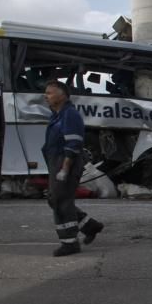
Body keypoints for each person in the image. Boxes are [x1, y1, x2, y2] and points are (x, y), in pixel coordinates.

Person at [42, 80, 104, 257]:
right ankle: (90, 226)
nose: (46, 96)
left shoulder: (70, 115)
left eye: (50, 93)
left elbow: (73, 144)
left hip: (65, 163)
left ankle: (69, 243)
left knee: (61, 202)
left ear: (62, 95)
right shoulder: (57, 115)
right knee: (55, 200)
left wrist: (64, 169)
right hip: (57, 162)